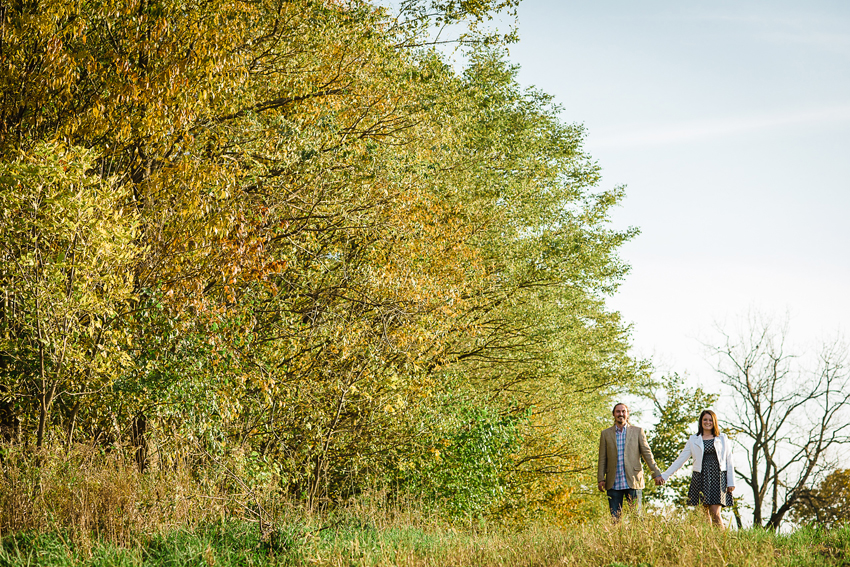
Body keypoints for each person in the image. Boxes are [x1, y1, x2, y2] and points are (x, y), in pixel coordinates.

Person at [660, 409, 736, 527]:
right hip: (700, 477)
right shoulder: (693, 439)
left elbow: (729, 460)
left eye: (710, 420)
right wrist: (665, 475)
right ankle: (708, 542)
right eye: (705, 419)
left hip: (718, 477)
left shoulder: (722, 438)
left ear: (714, 422)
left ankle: (722, 541)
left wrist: (731, 482)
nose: (707, 422)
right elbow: (680, 460)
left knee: (715, 513)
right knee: (703, 514)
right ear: (701, 421)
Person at [598, 402, 664, 518]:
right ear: (613, 414)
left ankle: (639, 536)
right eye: (618, 412)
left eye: (623, 411)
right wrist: (600, 478)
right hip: (613, 482)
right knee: (615, 519)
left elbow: (647, 454)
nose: (621, 414)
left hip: (633, 480)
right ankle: (617, 536)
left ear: (627, 414)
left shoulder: (637, 431)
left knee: (637, 516)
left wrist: (656, 474)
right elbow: (602, 458)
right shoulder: (605, 434)